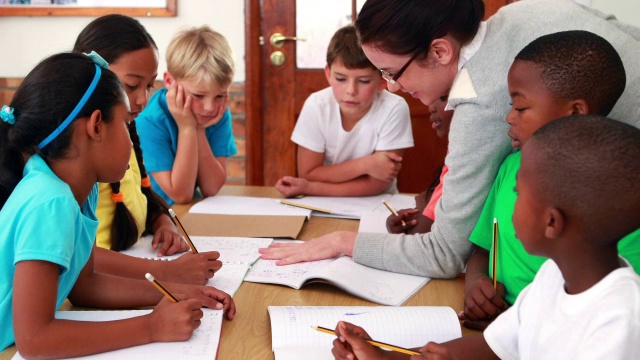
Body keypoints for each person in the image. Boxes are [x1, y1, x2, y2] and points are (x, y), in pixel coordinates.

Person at [259, 0, 640, 279]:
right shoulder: (518, 14)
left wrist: (342, 241)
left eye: (392, 73)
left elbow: (442, 254)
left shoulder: (484, 102)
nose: (392, 88)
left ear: (440, 51)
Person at [331, 115, 640, 359]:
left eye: (517, 194)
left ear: (551, 222)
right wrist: (389, 358)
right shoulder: (553, 277)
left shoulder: (620, 321)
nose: (511, 205)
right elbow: (495, 347)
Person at [0, 53, 235, 356]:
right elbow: (35, 340)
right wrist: (151, 327)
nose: (131, 135)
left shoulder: (79, 191)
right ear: (96, 126)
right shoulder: (51, 201)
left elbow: (87, 286)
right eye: (127, 123)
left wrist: (181, 292)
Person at [461, 30, 640, 331]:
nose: (508, 117)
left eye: (520, 107)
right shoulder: (511, 167)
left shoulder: (621, 189)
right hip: (497, 331)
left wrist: (515, 326)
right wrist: (475, 284)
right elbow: (482, 249)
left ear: (575, 112)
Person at [73, 14, 222, 286]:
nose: (143, 99)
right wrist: (168, 272)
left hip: (131, 262)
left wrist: (161, 222)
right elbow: (81, 261)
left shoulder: (125, 131)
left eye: (149, 85)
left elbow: (140, 196)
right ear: (92, 77)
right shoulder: (74, 153)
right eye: (131, 85)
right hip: (109, 278)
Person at [274, 24, 413, 197]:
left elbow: (378, 183)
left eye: (363, 81)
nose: (351, 91)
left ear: (383, 81)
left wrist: (310, 187)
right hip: (322, 199)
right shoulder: (316, 105)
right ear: (328, 74)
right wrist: (366, 165)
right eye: (341, 78)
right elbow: (308, 173)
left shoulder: (394, 108)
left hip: (379, 200)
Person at [136, 25, 237, 206]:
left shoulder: (218, 114)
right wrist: (187, 127)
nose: (209, 107)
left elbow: (211, 188)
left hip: (188, 213)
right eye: (198, 95)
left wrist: (198, 129)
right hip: (153, 215)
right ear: (169, 81)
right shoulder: (150, 121)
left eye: (220, 95)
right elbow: (180, 195)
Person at [385, 93, 452, 234]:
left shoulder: (463, 158)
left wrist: (424, 209)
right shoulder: (452, 153)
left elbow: (420, 235)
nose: (430, 107)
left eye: (444, 98)